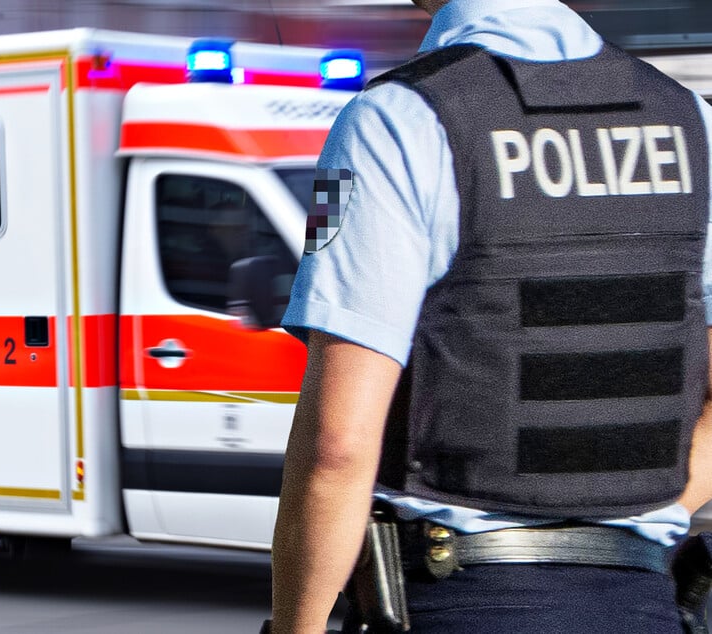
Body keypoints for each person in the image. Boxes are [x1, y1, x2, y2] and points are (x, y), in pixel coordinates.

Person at [269, 0, 712, 632]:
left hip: (458, 598)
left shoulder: (389, 121)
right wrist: (623, 519)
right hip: (642, 601)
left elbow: (337, 447)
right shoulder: (692, 122)